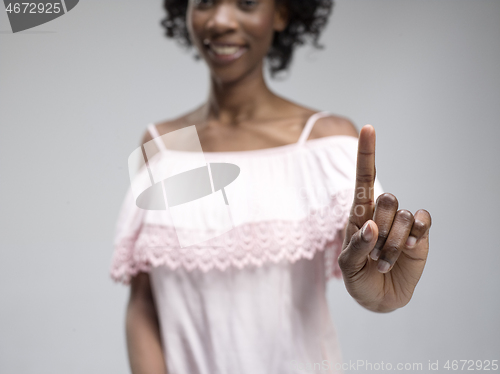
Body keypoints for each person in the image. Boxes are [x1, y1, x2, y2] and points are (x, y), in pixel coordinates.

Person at [110, 0, 432, 373]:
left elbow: (378, 286)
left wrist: (381, 290)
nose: (220, 20)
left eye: (246, 3)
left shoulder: (324, 142)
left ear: (281, 13)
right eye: (205, 2)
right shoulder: (165, 146)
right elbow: (145, 303)